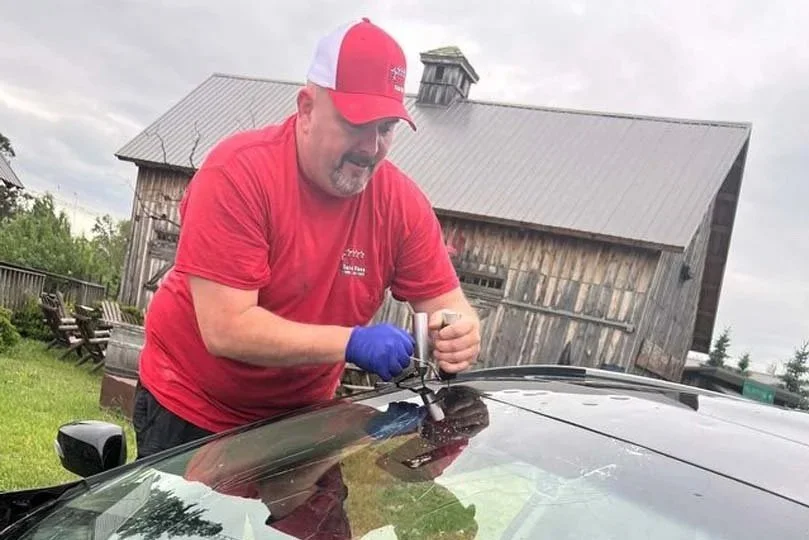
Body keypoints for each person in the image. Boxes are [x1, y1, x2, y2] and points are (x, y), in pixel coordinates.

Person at [133, 17, 481, 459]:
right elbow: (227, 329)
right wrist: (351, 342)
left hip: (300, 420)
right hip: (193, 407)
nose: (371, 147)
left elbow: (450, 306)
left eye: (386, 128)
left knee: (319, 530)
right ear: (306, 108)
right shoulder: (239, 173)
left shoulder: (401, 204)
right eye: (358, 123)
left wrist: (461, 333)